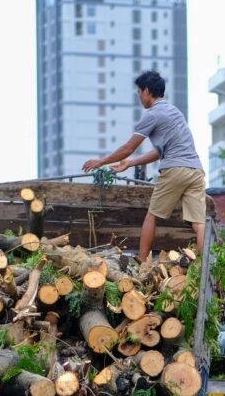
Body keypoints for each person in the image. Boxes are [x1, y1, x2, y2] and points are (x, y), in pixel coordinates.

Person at [82, 70, 206, 260]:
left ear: (147, 91)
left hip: (175, 169)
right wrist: (131, 164)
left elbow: (128, 147)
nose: (139, 97)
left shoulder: (153, 115)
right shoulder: (175, 112)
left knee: (152, 215)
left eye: (139, 92)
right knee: (199, 222)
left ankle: (141, 261)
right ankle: (204, 268)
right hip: (196, 170)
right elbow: (158, 152)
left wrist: (101, 162)